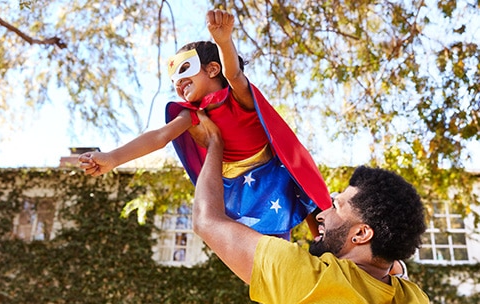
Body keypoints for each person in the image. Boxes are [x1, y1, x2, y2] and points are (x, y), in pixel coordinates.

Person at [79, 9, 331, 239]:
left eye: (184, 71)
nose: (178, 83)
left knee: (316, 210)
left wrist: (223, 40)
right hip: (242, 186)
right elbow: (160, 136)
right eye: (173, 82)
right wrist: (113, 158)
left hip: (275, 169)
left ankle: (329, 247)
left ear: (212, 69)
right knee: (270, 245)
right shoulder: (193, 116)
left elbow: (232, 73)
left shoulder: (238, 97)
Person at [189, 112, 430, 304]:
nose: (322, 213)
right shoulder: (411, 303)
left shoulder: (304, 277)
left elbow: (206, 220)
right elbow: (392, 265)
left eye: (335, 206)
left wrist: (214, 144)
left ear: (361, 233)